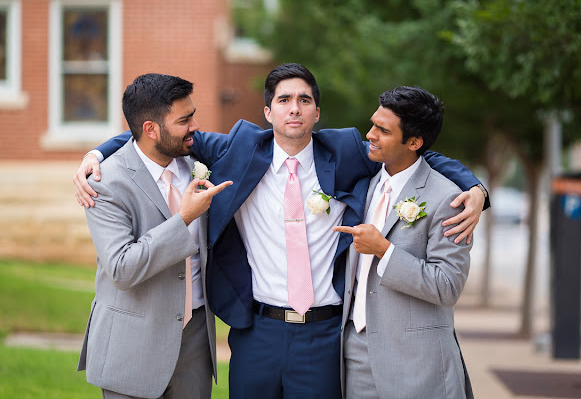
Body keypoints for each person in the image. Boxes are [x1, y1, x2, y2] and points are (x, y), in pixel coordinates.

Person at [73, 64, 487, 398]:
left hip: (324, 334)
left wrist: (474, 187)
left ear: (317, 113)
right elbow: (155, 133)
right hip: (257, 331)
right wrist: (96, 152)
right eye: (284, 100)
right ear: (267, 112)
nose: (294, 108)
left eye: (304, 100)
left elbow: (412, 150)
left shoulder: (345, 151)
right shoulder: (236, 149)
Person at [77, 73, 232, 398]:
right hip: (132, 342)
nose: (195, 126)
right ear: (151, 129)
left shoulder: (198, 163)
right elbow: (122, 268)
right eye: (184, 120)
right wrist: (184, 218)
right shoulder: (105, 183)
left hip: (195, 341)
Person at [334, 86, 474, 398]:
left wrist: (384, 250)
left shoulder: (447, 198)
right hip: (354, 357)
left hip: (417, 365)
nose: (370, 135)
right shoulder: (363, 185)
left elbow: (447, 286)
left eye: (382, 130)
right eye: (372, 124)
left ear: (414, 142)